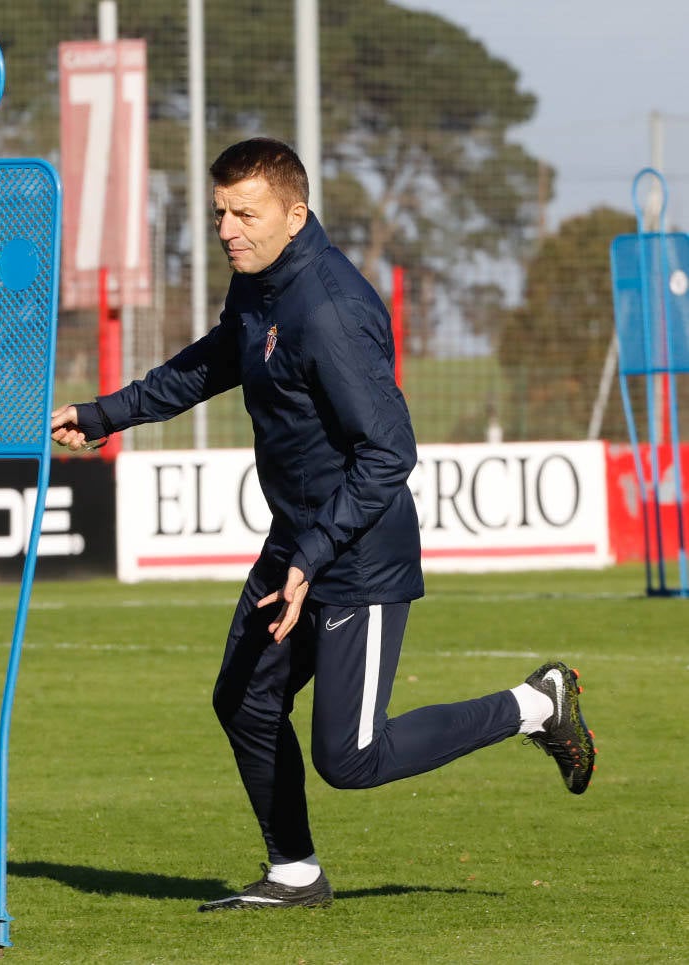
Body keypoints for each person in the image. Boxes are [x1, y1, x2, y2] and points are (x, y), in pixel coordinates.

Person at [51, 137, 596, 912]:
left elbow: (389, 451)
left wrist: (312, 555)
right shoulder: (258, 288)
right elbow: (213, 362)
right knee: (242, 700)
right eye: (219, 213)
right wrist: (107, 413)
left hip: (357, 556)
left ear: (295, 212)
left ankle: (537, 703)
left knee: (352, 755)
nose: (227, 228)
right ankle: (295, 872)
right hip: (297, 543)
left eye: (246, 212)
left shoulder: (330, 309)